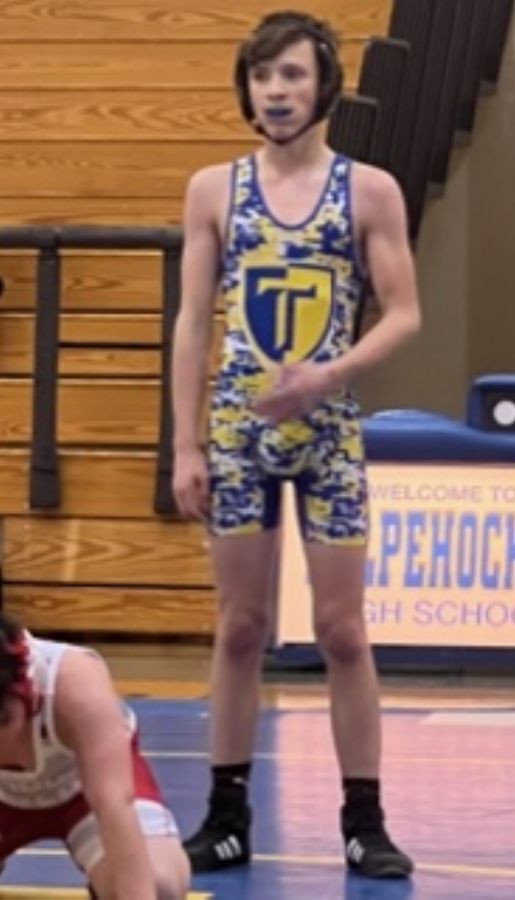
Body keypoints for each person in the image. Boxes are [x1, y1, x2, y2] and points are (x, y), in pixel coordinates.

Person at [172, 10, 421, 879]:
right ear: (246, 89)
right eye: (262, 76)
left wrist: (328, 375)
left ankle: (364, 820)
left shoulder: (369, 191)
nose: (275, 91)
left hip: (328, 435)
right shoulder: (213, 189)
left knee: (342, 630)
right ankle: (225, 814)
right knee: (239, 625)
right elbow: (191, 322)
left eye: (291, 75)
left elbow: (404, 314)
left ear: (323, 88)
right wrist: (184, 445)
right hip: (237, 434)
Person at [0, 612, 190, 900]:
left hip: (85, 795)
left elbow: (114, 803)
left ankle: (105, 883)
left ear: (24, 690)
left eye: (2, 722)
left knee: (159, 884)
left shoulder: (74, 682)